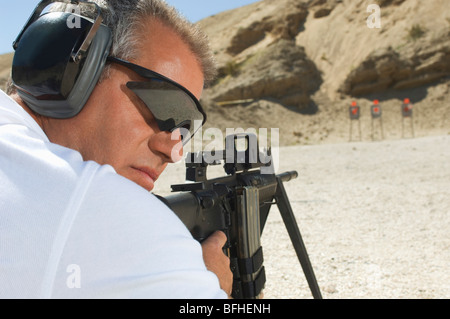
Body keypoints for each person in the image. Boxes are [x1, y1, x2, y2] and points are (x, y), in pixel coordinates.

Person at [0, 0, 232, 298]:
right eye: (164, 107)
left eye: (186, 127)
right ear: (67, 71)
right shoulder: (94, 201)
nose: (173, 149)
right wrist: (217, 287)